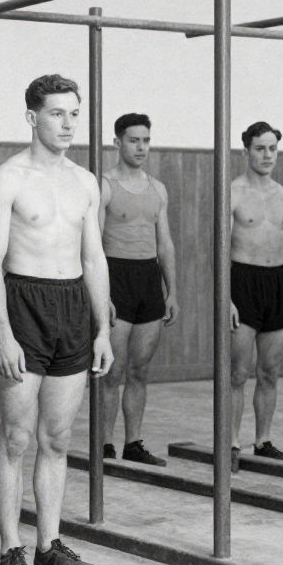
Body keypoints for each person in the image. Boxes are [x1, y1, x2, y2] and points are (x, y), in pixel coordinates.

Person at [0, 74, 113, 565]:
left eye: (73, 113)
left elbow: (94, 256)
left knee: (56, 438)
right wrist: (4, 334)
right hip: (24, 302)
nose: (68, 123)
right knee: (14, 437)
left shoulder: (85, 181)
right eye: (57, 113)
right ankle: (11, 549)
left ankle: (49, 544)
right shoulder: (8, 178)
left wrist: (102, 328)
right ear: (33, 117)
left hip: (72, 305)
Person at [99, 112, 178, 467]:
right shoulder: (105, 185)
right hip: (116, 277)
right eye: (134, 140)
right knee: (111, 371)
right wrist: (101, 295)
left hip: (148, 280)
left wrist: (171, 291)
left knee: (140, 370)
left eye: (146, 140)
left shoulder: (157, 188)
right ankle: (104, 445)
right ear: (118, 143)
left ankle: (133, 441)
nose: (141, 147)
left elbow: (165, 245)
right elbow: (94, 245)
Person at [228, 122, 283, 472]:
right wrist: (225, 298)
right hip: (242, 281)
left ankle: (264, 440)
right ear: (246, 151)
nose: (267, 155)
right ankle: (230, 442)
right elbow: (219, 249)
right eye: (260, 148)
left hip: (276, 284)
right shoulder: (234, 193)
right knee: (237, 373)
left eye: (272, 148)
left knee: (269, 371)